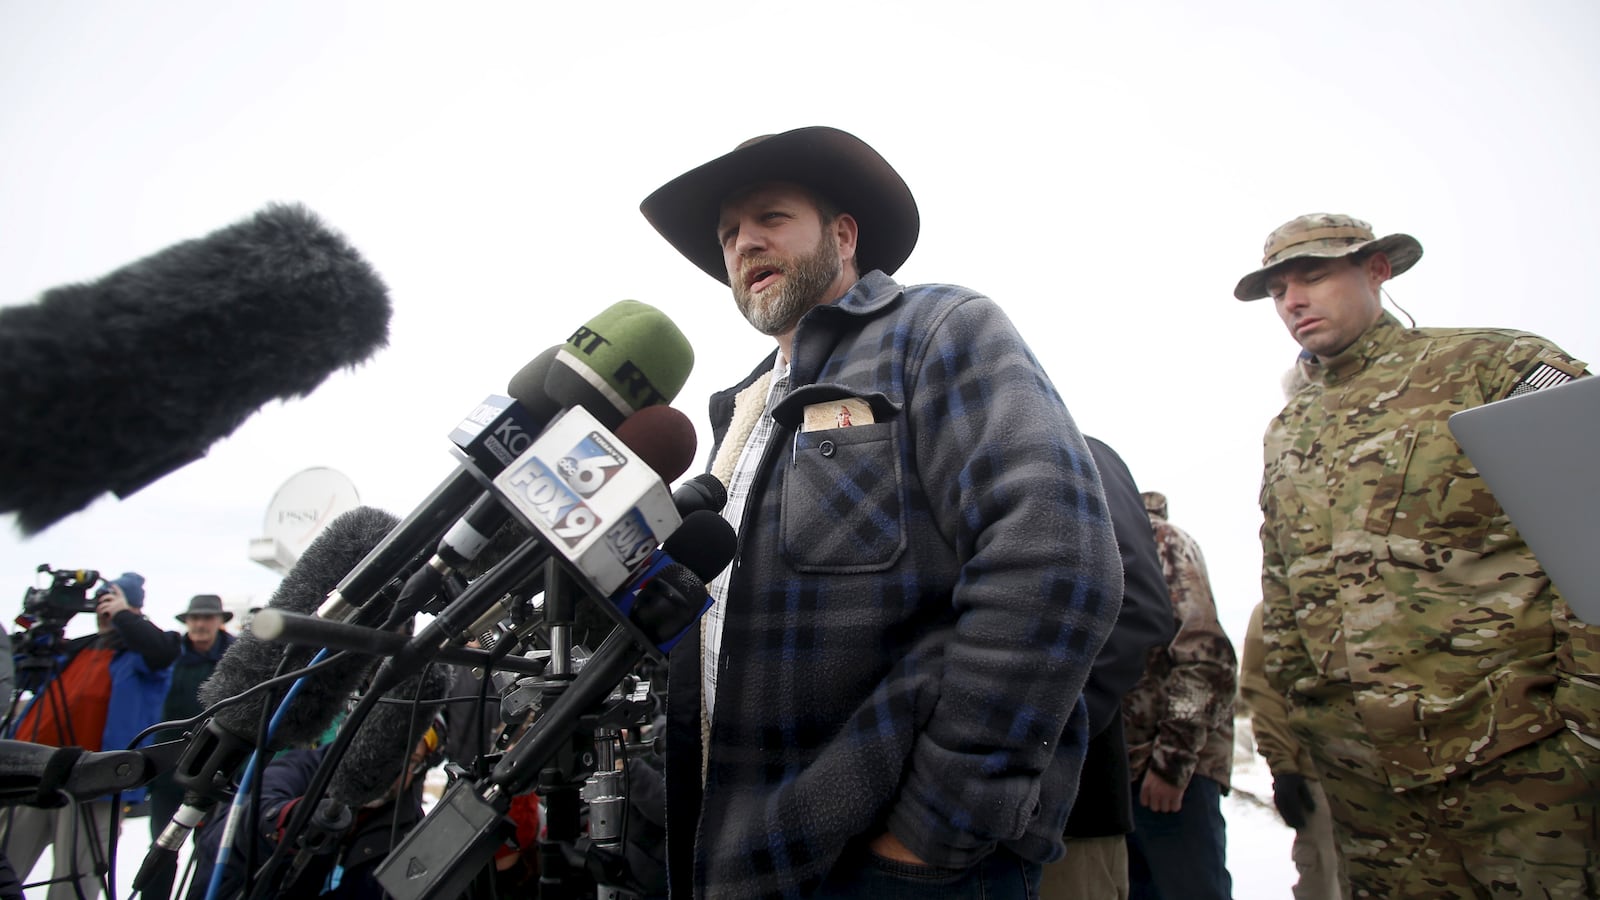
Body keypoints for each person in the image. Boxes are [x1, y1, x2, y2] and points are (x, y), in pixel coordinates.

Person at [639, 126, 1122, 899]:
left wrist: (937, 827)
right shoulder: (737, 416)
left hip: (897, 867)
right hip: (745, 866)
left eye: (771, 218)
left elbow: (1056, 562)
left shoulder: (938, 329)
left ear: (843, 234)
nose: (744, 243)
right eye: (730, 233)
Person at [1239, 212, 1600, 896]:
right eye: (1279, 288)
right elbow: (1284, 594)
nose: (1293, 301)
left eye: (1314, 275)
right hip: (1367, 793)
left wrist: (1586, 732)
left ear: (1379, 269)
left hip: (1522, 772)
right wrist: (1301, 740)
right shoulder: (1289, 431)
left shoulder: (1495, 367)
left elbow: (1594, 535)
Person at [1043, 438, 1175, 900]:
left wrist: (1043, 732)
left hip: (1072, 812)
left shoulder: (1073, 448)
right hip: (952, 824)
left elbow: (1140, 608)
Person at [0, 572, 176, 900]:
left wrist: (124, 614)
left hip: (91, 782)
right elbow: (25, 668)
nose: (102, 609)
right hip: (32, 775)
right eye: (101, 601)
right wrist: (44, 622)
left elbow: (162, 651)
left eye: (111, 600)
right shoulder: (78, 650)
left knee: (74, 883)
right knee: (7, 862)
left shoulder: (145, 654)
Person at [1120, 491, 1236, 899]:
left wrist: (1172, 763)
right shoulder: (1090, 539)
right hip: (1119, 780)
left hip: (1171, 778)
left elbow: (1207, 659)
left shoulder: (1162, 542)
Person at [1240, 601, 1347, 900]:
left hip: (1419, 781)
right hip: (1325, 783)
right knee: (1327, 887)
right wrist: (1284, 767)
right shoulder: (1282, 602)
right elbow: (1264, 686)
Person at [142, 594, 237, 900]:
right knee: (161, 845)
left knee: (208, 846)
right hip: (167, 766)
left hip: (214, 766)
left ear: (219, 621)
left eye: (206, 618)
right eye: (194, 618)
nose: (199, 624)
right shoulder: (170, 655)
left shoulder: (237, 658)